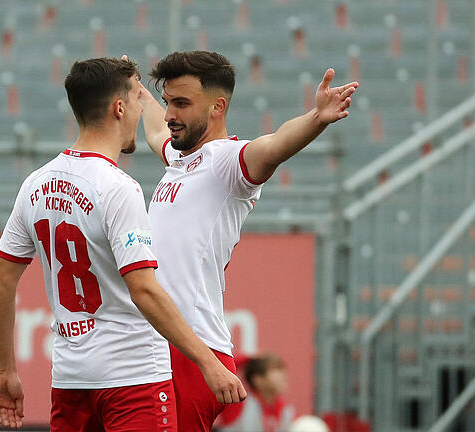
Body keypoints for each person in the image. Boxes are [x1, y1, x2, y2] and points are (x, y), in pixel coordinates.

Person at [0, 57, 246, 431]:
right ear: (119, 108)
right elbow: (143, 290)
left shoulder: (36, 184)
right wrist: (209, 363)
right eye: (139, 102)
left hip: (71, 377)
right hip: (132, 376)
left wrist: (5, 371)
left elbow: (0, 282)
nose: (145, 111)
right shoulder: (117, 188)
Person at [137, 50, 358, 431]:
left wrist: (316, 118)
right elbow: (157, 130)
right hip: (160, 340)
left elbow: (272, 146)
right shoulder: (179, 158)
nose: (171, 113)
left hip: (192, 349)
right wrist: (138, 93)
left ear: (217, 107)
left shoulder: (227, 161)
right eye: (168, 101)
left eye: (182, 103)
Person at [216, 353, 295, 432]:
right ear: (258, 380)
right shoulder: (238, 401)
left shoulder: (284, 409)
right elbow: (220, 370)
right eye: (276, 370)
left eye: (282, 371)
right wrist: (248, 358)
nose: (283, 377)